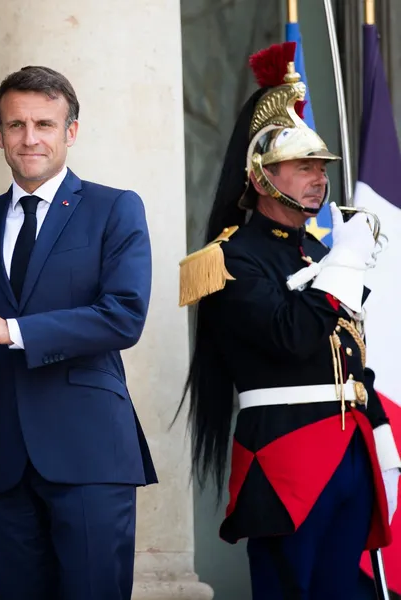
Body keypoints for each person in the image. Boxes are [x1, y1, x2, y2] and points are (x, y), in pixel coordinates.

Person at [177, 42, 401, 599]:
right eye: (301, 166)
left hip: (350, 452)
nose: (317, 178)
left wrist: (381, 434)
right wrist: (343, 264)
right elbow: (289, 336)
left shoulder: (320, 255)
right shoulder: (231, 258)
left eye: (320, 167)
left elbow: (351, 356)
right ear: (260, 177)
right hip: (285, 458)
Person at [0, 65, 156, 600]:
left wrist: (9, 329)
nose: (29, 138)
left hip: (90, 455)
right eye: (16, 125)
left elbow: (124, 314)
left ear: (71, 131)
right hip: (6, 460)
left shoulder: (114, 208)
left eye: (44, 124)